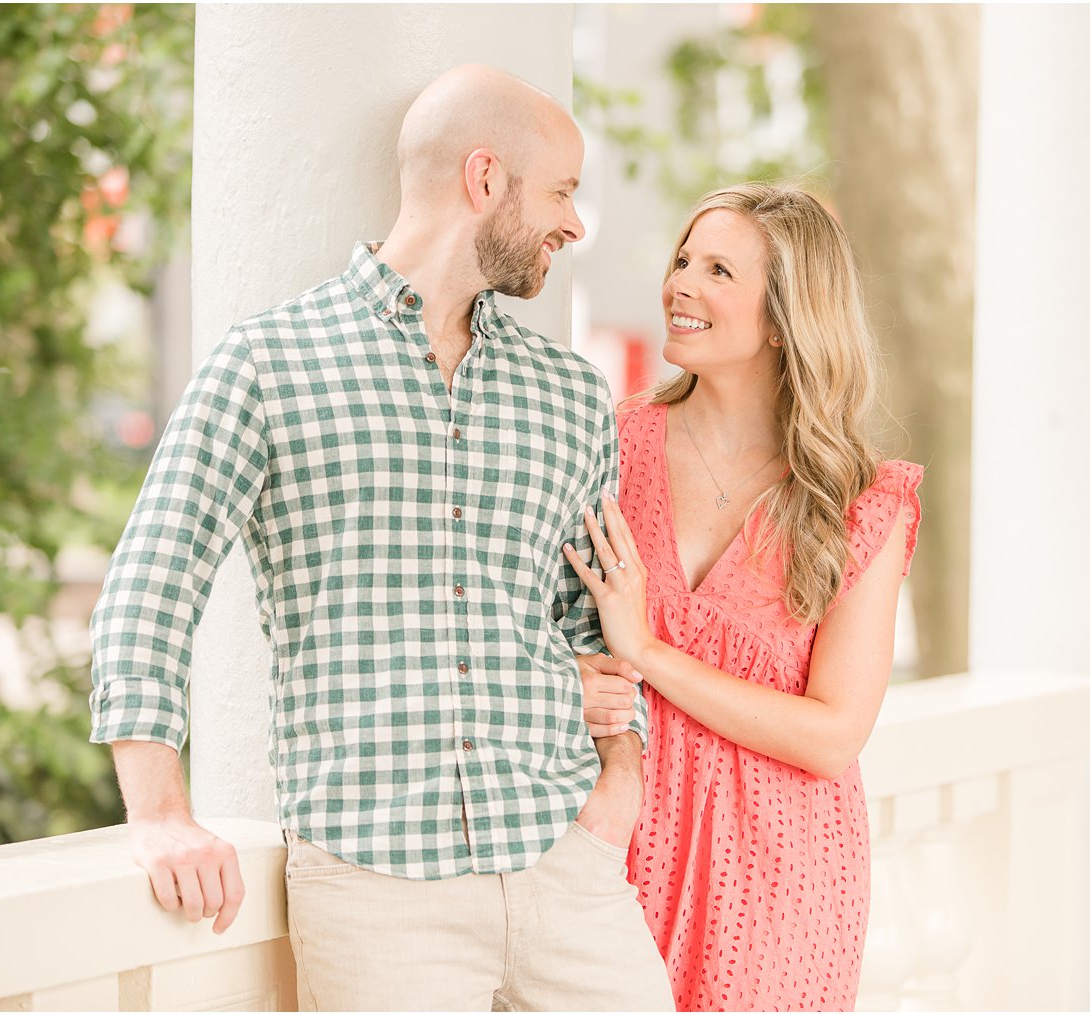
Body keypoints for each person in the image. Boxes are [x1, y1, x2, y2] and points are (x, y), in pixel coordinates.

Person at [89, 64, 673, 1011]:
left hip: (565, 861)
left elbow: (593, 616)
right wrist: (160, 813)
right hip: (376, 886)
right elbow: (151, 586)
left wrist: (620, 786)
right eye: (562, 191)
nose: (573, 223)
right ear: (485, 179)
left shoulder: (571, 396)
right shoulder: (267, 365)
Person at [562, 183, 924, 1011]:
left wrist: (649, 652)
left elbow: (834, 734)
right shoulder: (606, 445)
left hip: (780, 877)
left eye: (718, 269)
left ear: (782, 315)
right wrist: (573, 674)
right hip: (612, 849)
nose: (679, 283)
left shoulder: (861, 502)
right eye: (683, 259)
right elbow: (528, 622)